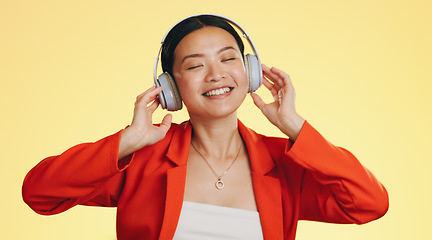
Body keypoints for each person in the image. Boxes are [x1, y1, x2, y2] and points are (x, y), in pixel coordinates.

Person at [22, 14, 389, 240]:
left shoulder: (287, 165)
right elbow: (39, 192)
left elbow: (369, 204)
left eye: (229, 59)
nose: (217, 75)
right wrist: (128, 139)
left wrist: (294, 126)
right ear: (170, 87)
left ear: (250, 72)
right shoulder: (142, 161)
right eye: (195, 65)